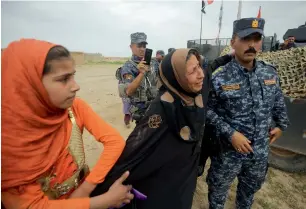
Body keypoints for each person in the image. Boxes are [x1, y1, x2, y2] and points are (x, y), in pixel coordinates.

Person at [1, 39, 134, 209]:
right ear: (29, 84)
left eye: (73, 76)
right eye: (64, 79)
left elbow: (115, 142)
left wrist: (85, 189)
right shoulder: (8, 142)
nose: (76, 86)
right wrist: (103, 201)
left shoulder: (74, 109)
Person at [90, 48, 208, 209]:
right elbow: (133, 152)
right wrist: (96, 193)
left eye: (199, 67)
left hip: (184, 184)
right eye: (193, 70)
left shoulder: (192, 99)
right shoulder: (163, 111)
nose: (201, 74)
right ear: (177, 76)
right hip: (164, 192)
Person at [206, 18, 290, 209]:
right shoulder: (219, 76)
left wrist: (281, 125)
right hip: (227, 152)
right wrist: (231, 133)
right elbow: (207, 111)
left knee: (248, 194)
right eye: (245, 39)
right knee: (218, 195)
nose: (251, 45)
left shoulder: (269, 73)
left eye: (256, 38)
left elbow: (277, 100)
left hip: (259, 151)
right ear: (233, 41)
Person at [118, 32, 158, 125]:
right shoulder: (128, 67)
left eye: (144, 46)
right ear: (131, 47)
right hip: (141, 112)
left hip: (155, 107)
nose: (142, 49)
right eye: (139, 46)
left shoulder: (154, 63)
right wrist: (141, 73)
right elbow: (129, 91)